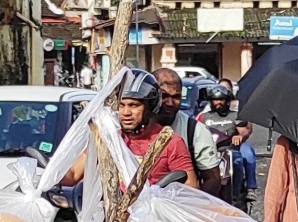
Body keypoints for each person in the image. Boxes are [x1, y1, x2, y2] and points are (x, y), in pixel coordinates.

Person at [60, 69, 196, 188]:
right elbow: (73, 175)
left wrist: (157, 196)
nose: (126, 112)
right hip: (111, 214)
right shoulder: (108, 138)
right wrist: (43, 174)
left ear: (150, 108)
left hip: (152, 216)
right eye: (122, 105)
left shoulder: (171, 142)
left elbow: (190, 187)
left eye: (134, 105)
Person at [156, 68, 224, 196]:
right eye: (164, 96)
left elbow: (212, 179)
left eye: (176, 97)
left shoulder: (196, 131)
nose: (170, 103)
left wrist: (193, 205)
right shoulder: (136, 127)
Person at [198, 85, 252, 206]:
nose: (218, 102)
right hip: (210, 152)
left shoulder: (234, 115)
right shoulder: (203, 117)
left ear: (227, 101)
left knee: (237, 161)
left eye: (221, 99)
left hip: (229, 150)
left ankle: (236, 195)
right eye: (215, 100)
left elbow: (244, 130)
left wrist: (240, 136)